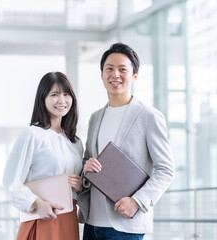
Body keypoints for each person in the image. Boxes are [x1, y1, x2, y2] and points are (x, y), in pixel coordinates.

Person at [77, 42, 175, 239]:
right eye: (109, 69)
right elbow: (87, 160)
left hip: (125, 227)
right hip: (91, 225)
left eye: (123, 69)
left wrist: (137, 201)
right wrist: (86, 167)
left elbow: (166, 169)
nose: (115, 75)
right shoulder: (96, 117)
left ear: (134, 76)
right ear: (102, 75)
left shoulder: (149, 116)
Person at [3, 72, 83, 240]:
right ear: (43, 99)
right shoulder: (32, 135)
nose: (62, 100)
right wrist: (37, 204)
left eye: (66, 94)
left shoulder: (75, 142)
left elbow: (77, 186)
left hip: (69, 218)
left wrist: (80, 185)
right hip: (42, 217)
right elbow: (11, 183)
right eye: (54, 94)